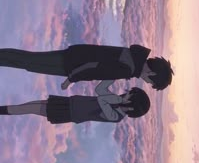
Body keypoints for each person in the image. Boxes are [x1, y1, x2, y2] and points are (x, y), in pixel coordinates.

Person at [0, 44, 173, 90]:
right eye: (151, 82)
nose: (146, 82)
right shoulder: (128, 69)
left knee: (29, 59)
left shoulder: (133, 55)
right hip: (72, 65)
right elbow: (95, 68)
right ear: (151, 73)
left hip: (76, 54)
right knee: (29, 62)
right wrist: (71, 78)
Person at [0, 80, 151, 124]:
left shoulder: (116, 116)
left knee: (29, 108)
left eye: (129, 94)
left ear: (131, 105)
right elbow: (100, 89)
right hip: (70, 103)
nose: (126, 93)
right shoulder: (116, 103)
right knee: (27, 106)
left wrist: (119, 99)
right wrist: (114, 75)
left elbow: (102, 99)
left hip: (69, 112)